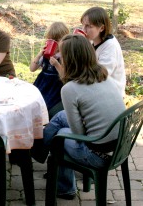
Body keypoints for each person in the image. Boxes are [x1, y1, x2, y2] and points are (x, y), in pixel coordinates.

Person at [43, 34, 126, 199]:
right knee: (60, 116)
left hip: (98, 156)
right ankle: (39, 150)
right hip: (119, 148)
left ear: (70, 60)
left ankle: (65, 188)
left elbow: (78, 133)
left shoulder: (70, 89)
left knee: (59, 137)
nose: (59, 57)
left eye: (62, 55)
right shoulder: (104, 77)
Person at [80, 6, 126, 97]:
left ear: (101, 28)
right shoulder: (93, 39)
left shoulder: (110, 46)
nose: (83, 30)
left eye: (89, 26)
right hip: (96, 89)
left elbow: (100, 76)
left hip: (110, 95)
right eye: (83, 25)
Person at [30, 21, 69, 119]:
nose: (53, 42)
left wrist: (56, 64)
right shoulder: (46, 54)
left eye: (56, 40)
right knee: (33, 103)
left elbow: (64, 76)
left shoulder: (64, 56)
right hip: (42, 83)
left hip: (55, 86)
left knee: (46, 106)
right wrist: (39, 55)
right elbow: (32, 69)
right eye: (50, 39)